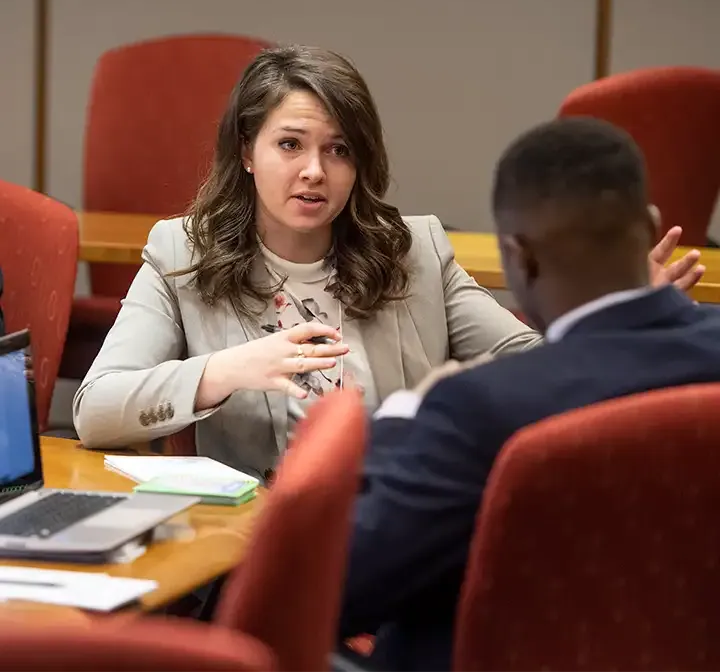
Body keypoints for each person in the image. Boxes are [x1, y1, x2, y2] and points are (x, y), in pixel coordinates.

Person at [72, 45, 702, 479]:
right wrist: (228, 369)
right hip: (256, 540)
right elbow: (97, 409)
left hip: (399, 514)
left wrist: (615, 311)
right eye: (290, 145)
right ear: (245, 151)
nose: (315, 171)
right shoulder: (182, 253)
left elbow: (534, 363)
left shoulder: (413, 251)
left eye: (339, 150)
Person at [337, 118, 720, 672]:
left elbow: (341, 590)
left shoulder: (479, 412)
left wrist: (399, 419)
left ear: (520, 256)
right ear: (651, 224)